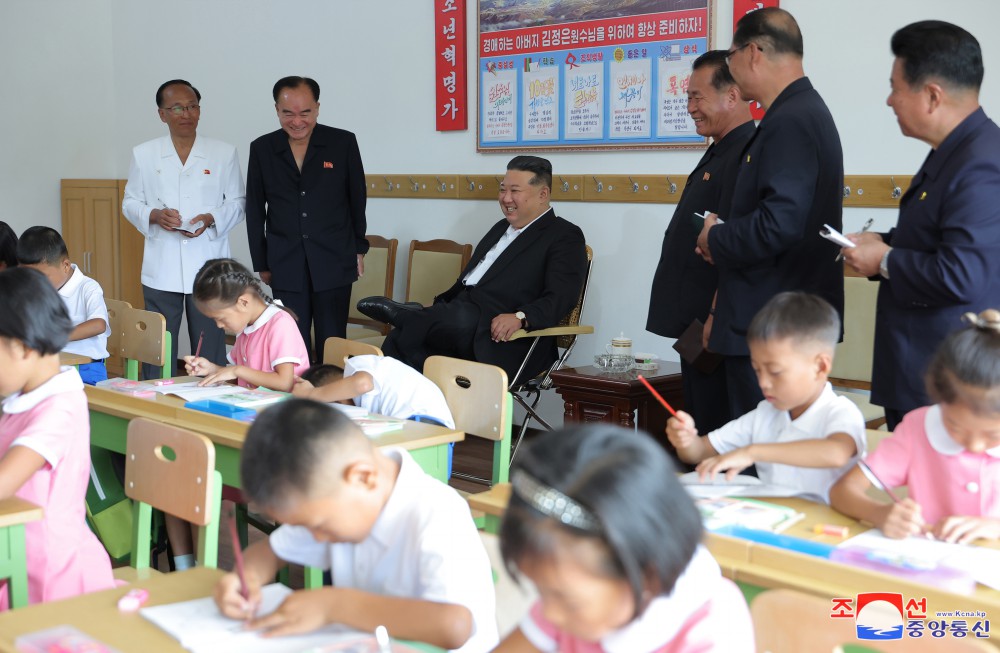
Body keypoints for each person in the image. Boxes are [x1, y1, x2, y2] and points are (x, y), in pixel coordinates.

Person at [213, 399, 498, 652]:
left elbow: (454, 625)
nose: (314, 537)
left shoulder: (437, 513)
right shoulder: (338, 498)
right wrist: (243, 578)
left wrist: (332, 605)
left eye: (318, 526)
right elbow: (271, 552)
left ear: (363, 478)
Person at [842, 21, 1000, 431]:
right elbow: (937, 239)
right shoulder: (954, 151)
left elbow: (961, 274)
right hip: (918, 371)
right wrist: (883, 241)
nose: (889, 100)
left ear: (932, 95)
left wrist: (885, 259)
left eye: (896, 87)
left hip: (946, 382)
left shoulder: (981, 163)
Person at [695, 7, 844, 421]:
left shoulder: (792, 120)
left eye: (731, 57)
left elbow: (779, 223)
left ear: (754, 52)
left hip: (774, 323)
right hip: (777, 317)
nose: (731, 67)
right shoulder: (797, 111)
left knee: (760, 459)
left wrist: (715, 238)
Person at [492, 423, 753, 652]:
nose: (549, 612)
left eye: (566, 600)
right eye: (540, 590)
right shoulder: (569, 595)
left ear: (647, 576)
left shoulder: (712, 630)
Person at [358, 155, 587, 385]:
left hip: (505, 335)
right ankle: (401, 412)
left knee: (441, 321)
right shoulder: (500, 228)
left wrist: (521, 317)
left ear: (542, 194)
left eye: (515, 191)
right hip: (461, 317)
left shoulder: (564, 235)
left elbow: (561, 296)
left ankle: (411, 315)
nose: (506, 198)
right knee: (401, 337)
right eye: (502, 189)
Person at [666, 292, 865, 503]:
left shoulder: (840, 412)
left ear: (820, 367)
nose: (763, 383)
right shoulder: (765, 413)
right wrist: (686, 439)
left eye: (775, 372)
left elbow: (836, 453)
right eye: (757, 370)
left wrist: (753, 452)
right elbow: (698, 452)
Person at [647, 50, 755, 433]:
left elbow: (738, 247)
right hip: (700, 323)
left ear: (732, 95)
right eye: (687, 97)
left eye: (697, 97)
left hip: (717, 324)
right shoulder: (720, 150)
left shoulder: (746, 154)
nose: (690, 107)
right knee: (701, 416)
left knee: (717, 426)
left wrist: (715, 316)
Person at [831, 310, 1000, 543]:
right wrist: (879, 513)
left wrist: (995, 526)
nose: (975, 445)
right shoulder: (919, 428)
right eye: (955, 427)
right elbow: (842, 492)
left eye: (993, 435)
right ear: (939, 400)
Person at [0, 267, 115, 608]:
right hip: (14, 547)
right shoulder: (18, 395)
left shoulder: (60, 407)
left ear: (21, 347)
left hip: (48, 572)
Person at [122, 79, 246, 379]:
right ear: (162, 114)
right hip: (161, 265)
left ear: (200, 111)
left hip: (208, 263)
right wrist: (153, 215)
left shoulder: (223, 152)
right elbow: (129, 202)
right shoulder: (144, 154)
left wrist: (211, 217)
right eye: (177, 107)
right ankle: (153, 398)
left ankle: (209, 403)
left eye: (192, 106)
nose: (186, 113)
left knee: (210, 343)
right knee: (157, 343)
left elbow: (239, 203)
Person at [246, 76, 369, 362]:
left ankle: (333, 399)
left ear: (317, 109)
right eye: (288, 113)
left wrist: (358, 249)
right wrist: (261, 261)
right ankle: (295, 401)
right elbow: (254, 208)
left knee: (332, 339)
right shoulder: (262, 148)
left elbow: (357, 200)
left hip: (334, 257)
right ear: (277, 110)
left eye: (305, 113)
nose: (297, 121)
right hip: (285, 260)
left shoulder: (342, 143)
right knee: (291, 339)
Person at [294, 354, 457, 476]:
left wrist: (312, 394)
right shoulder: (366, 401)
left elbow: (362, 384)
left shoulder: (358, 365)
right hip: (423, 436)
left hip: (425, 431)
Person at [183, 258, 309, 391]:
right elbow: (241, 376)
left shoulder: (280, 323)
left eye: (221, 318)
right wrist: (212, 369)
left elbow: (285, 383)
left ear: (243, 302)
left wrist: (237, 370)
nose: (219, 325)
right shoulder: (246, 326)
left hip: (286, 408)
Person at [17, 227, 110, 385]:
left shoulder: (88, 288)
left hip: (86, 369)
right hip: (51, 365)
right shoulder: (37, 290)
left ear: (65, 265)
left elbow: (98, 325)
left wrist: (56, 336)